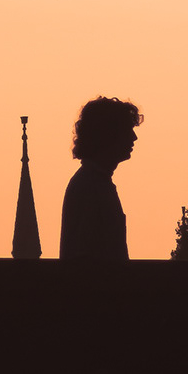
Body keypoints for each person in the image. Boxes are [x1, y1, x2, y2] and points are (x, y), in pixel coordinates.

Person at [59, 97, 140, 262]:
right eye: (127, 130)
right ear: (108, 134)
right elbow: (83, 255)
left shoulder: (94, 182)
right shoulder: (90, 186)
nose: (134, 137)